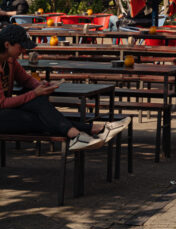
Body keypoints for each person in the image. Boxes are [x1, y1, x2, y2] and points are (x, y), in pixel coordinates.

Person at [0, 25, 129, 150]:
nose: (23, 51)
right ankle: (92, 130)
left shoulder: (11, 61)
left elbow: (26, 79)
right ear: (7, 45)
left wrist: (40, 86)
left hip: (8, 111)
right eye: (20, 47)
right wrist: (35, 93)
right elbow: (3, 103)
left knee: (40, 105)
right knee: (41, 118)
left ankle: (81, 134)